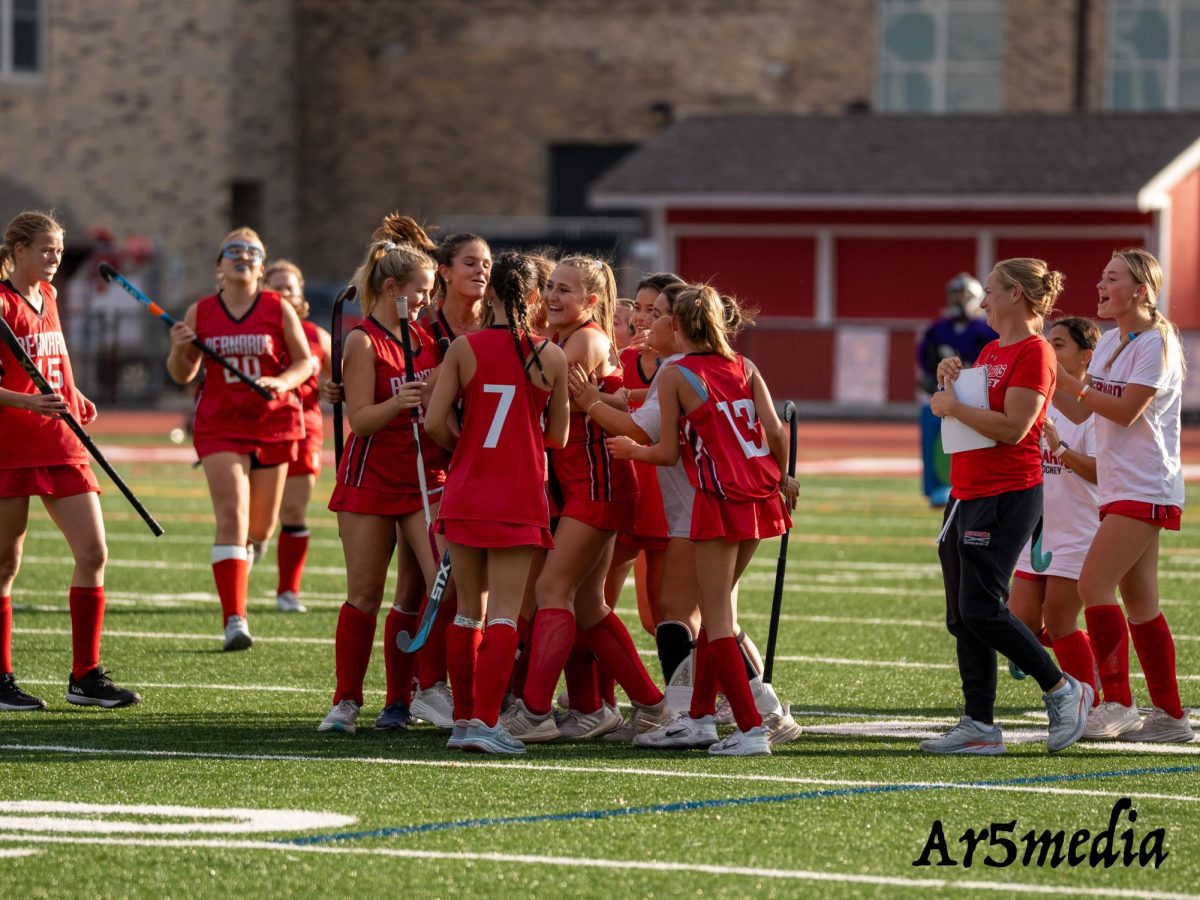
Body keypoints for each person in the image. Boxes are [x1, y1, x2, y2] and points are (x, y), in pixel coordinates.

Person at [577, 282, 802, 747]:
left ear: (677, 324)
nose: (648, 321)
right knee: (718, 616)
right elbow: (777, 432)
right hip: (761, 496)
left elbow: (658, 447)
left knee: (715, 621)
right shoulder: (744, 363)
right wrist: (783, 478)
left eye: (657, 313)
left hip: (719, 500)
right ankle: (700, 715)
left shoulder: (677, 370)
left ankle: (753, 725)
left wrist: (593, 408)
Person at [925, 257, 1092, 756]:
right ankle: (979, 723)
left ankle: (1063, 689)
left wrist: (953, 406)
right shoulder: (993, 349)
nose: (983, 301)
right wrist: (949, 378)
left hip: (1006, 493)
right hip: (966, 492)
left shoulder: (1036, 352)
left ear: (1016, 294)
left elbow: (1015, 427)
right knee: (962, 614)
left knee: (982, 606)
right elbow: (971, 415)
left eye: (992, 291)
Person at [501, 255, 668, 743]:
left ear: (592, 302)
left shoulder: (586, 339)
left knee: (552, 592)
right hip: (582, 485)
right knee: (588, 606)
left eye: (565, 291)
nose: (551, 296)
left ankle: (534, 714)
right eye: (550, 286)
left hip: (597, 485)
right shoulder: (562, 337)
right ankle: (648, 706)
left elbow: (542, 399)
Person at [425, 251, 569, 753]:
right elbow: (559, 436)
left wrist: (467, 439)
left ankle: (465, 720)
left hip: (466, 490)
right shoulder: (550, 355)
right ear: (533, 297)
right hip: (518, 494)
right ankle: (486, 723)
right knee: (504, 614)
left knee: (467, 613)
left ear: (489, 293)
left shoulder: (464, 347)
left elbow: (433, 421)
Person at [0, 210, 140, 710]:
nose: (55, 258)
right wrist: (27, 401)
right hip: (11, 445)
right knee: (5, 564)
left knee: (93, 551)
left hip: (61, 439)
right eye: (45, 250)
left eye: (58, 250)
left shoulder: (51, 295)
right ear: (18, 251)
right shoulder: (1, 302)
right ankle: (1, 677)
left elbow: (51, 359)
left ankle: (85, 676)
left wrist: (72, 391)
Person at [1052, 248, 1193, 742]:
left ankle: (1117, 703)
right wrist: (1046, 381)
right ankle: (1171, 716)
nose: (1099, 285)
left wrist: (1071, 381)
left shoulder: (1157, 341)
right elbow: (1080, 414)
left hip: (1145, 483)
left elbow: (1128, 410)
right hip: (1120, 484)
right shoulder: (1112, 339)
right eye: (1101, 275)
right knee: (1141, 605)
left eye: (1111, 278)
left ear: (1140, 289)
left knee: (1092, 586)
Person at [319, 218, 447, 734]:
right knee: (364, 595)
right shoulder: (363, 342)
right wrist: (400, 401)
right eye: (419, 292)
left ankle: (404, 698)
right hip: (371, 476)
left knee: (435, 585)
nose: (424, 302)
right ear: (391, 288)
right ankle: (346, 700)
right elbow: (361, 420)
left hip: (422, 477)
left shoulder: (426, 338)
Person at [166, 228, 312, 651]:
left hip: (273, 424)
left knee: (261, 528)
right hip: (220, 425)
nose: (243, 256)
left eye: (252, 252)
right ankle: (235, 619)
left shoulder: (276, 306)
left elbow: (304, 361)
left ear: (262, 266)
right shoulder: (201, 311)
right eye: (234, 251)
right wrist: (179, 349)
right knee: (232, 517)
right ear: (219, 264)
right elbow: (182, 373)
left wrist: (281, 381)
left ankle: (248, 555)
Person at [1006, 317, 1101, 706]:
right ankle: (1081, 655)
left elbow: (1100, 472)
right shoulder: (1039, 398)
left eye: (1059, 345)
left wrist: (1060, 449)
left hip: (1077, 530)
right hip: (1035, 530)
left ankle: (1088, 700)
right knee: (1020, 621)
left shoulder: (1093, 409)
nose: (1050, 351)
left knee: (1061, 620)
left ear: (1085, 357)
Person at [263, 259, 332, 614]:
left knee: (293, 510)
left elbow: (344, 378)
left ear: (300, 292)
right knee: (255, 515)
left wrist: (338, 389)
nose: (283, 292)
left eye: (289, 286)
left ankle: (288, 590)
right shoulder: (257, 331)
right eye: (275, 286)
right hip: (262, 425)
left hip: (305, 427)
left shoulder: (318, 336)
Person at [917, 274, 996, 507]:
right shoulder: (938, 329)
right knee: (934, 439)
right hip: (943, 392)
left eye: (964, 295)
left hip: (977, 396)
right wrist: (931, 380)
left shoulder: (986, 329)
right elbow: (924, 358)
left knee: (975, 441)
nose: (959, 300)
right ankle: (937, 487)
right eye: (955, 294)